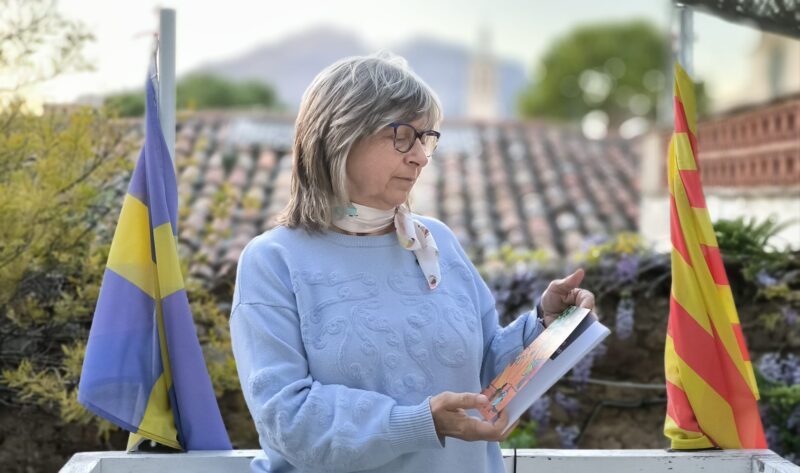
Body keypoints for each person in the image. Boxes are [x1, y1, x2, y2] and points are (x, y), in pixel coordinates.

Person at [230, 51, 596, 473]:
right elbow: (287, 420)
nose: (420, 156)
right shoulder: (273, 262)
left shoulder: (436, 241)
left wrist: (546, 327)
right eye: (402, 135)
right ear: (340, 134)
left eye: (426, 138)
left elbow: (481, 380)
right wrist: (420, 422)